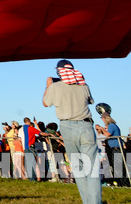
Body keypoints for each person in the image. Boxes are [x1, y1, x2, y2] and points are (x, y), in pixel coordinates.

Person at [42, 59, 101, 204]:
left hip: (67, 127)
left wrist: (48, 86)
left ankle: (87, 201)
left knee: (78, 167)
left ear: (59, 72)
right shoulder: (83, 86)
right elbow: (90, 101)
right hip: (86, 126)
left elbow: (45, 103)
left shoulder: (55, 87)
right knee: (92, 167)